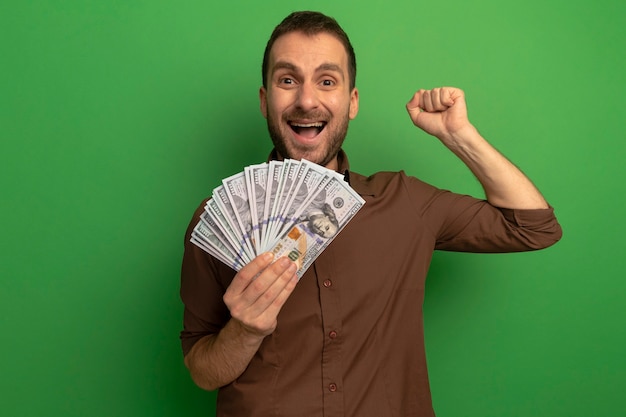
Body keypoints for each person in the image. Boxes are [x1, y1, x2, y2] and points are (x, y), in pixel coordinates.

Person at [180, 11, 562, 417]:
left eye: (327, 81)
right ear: (264, 100)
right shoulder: (217, 223)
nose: (306, 100)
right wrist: (244, 331)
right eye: (287, 80)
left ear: (352, 101)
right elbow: (203, 372)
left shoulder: (405, 202)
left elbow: (532, 227)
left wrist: (459, 137)